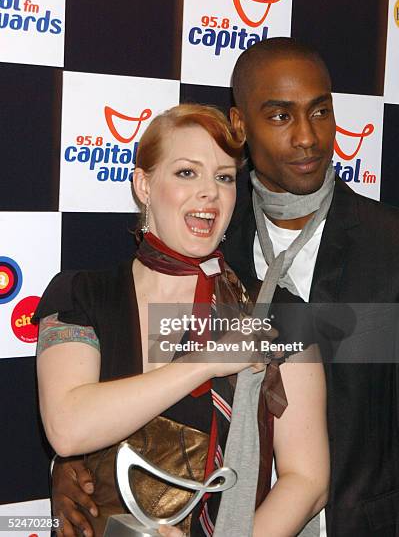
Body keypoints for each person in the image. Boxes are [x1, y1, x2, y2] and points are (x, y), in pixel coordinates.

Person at [35, 103, 328, 537]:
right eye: (187, 173)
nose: (210, 192)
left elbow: (308, 481)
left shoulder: (279, 313)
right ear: (144, 184)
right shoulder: (80, 293)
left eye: (224, 177)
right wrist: (205, 361)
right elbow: (68, 428)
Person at [224, 38, 399, 537]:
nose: (308, 137)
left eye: (320, 112)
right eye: (280, 116)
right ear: (240, 126)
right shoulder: (212, 246)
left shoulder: (389, 247)